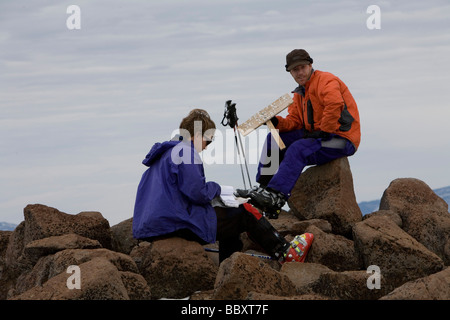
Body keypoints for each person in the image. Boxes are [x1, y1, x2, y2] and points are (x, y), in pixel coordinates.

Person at [132, 108, 314, 263]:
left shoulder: (161, 158)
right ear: (196, 135)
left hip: (151, 227)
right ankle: (285, 252)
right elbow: (197, 193)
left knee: (229, 219)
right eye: (208, 140)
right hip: (174, 224)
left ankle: (229, 266)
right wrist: (218, 189)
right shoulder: (186, 151)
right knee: (243, 211)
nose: (207, 146)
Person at [236, 49, 361, 215]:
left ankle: (276, 196)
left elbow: (335, 104)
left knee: (299, 148)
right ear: (290, 72)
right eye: (295, 70)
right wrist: (275, 122)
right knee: (275, 138)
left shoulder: (326, 80)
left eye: (302, 67)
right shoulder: (299, 93)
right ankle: (264, 189)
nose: (299, 72)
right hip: (317, 136)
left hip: (341, 139)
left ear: (310, 65)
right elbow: (294, 122)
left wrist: (325, 130)